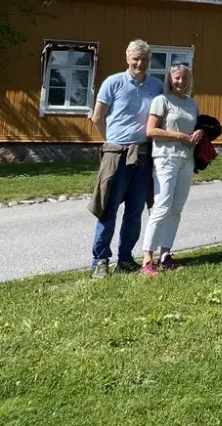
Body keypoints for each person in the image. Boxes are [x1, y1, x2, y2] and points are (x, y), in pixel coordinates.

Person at [87, 39, 164, 279]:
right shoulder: (113, 83)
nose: (140, 63)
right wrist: (110, 142)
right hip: (116, 153)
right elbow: (97, 117)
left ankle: (125, 258)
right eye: (136, 59)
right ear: (127, 59)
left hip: (142, 154)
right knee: (108, 208)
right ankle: (100, 260)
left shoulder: (157, 86)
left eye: (144, 60)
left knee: (134, 210)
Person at [139, 64, 202, 276]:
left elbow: (194, 127)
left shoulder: (192, 104)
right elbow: (151, 130)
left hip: (187, 159)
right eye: (176, 78)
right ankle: (147, 258)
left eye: (184, 78)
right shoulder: (162, 100)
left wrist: (198, 133)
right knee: (162, 206)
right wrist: (179, 136)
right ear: (169, 79)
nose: (180, 82)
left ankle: (165, 255)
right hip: (166, 158)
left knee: (176, 208)